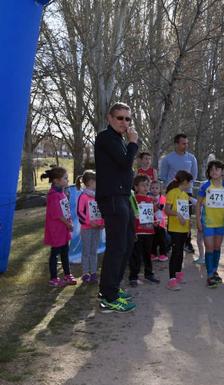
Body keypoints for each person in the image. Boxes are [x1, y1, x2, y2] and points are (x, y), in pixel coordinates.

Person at [95, 102, 137, 313]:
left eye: (128, 119)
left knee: (128, 242)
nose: (124, 122)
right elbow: (124, 163)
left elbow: (124, 168)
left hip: (122, 197)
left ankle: (111, 287)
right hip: (111, 198)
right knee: (117, 246)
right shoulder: (106, 137)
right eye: (120, 118)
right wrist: (133, 144)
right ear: (110, 119)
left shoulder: (119, 139)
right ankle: (108, 297)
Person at [159, 134, 198, 253]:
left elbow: (194, 176)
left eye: (187, 143)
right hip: (172, 193)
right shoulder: (167, 159)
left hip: (187, 192)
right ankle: (171, 241)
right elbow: (164, 177)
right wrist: (171, 189)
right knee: (172, 216)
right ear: (176, 144)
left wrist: (187, 187)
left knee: (186, 217)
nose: (185, 145)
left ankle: (187, 241)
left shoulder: (191, 158)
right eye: (183, 143)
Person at [196, 160, 224, 287]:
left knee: (217, 248)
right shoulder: (205, 186)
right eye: (211, 170)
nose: (214, 172)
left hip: (220, 223)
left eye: (217, 169)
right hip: (208, 223)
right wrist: (198, 220)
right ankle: (210, 274)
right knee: (209, 248)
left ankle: (215, 271)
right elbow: (198, 203)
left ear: (222, 171)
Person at [42, 167, 75, 288]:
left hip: (64, 229)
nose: (67, 180)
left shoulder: (61, 192)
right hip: (57, 229)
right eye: (65, 178)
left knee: (65, 252)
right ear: (56, 180)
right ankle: (54, 278)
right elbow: (58, 214)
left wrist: (66, 196)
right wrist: (68, 224)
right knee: (55, 253)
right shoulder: (53, 195)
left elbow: (65, 209)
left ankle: (67, 274)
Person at [128, 175, 160, 287]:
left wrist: (155, 221)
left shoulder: (150, 200)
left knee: (147, 254)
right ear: (136, 187)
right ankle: (133, 277)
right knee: (136, 255)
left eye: (147, 185)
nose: (146, 187)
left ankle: (149, 274)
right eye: (143, 185)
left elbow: (151, 214)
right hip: (137, 232)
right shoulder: (133, 199)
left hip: (149, 231)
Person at [164, 171, 193, 291]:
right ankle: (171, 280)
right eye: (189, 182)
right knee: (175, 253)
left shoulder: (185, 195)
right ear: (185, 182)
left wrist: (188, 225)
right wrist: (177, 215)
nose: (190, 185)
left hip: (183, 229)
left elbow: (186, 213)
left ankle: (178, 274)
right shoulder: (172, 193)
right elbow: (167, 210)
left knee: (180, 252)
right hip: (174, 229)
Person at [76, 170, 103, 284]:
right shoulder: (83, 196)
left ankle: (93, 273)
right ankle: (85, 273)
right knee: (86, 251)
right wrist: (89, 222)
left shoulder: (98, 196)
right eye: (96, 182)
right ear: (90, 182)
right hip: (87, 229)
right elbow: (79, 212)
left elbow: (102, 211)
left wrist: (102, 223)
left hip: (97, 228)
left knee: (94, 251)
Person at [149, 180, 169, 262]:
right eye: (152, 188)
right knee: (153, 239)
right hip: (152, 222)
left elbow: (164, 208)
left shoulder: (163, 198)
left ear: (160, 189)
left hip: (161, 222)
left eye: (157, 188)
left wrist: (159, 206)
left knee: (162, 239)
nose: (154, 189)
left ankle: (163, 254)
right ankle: (153, 253)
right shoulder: (148, 198)